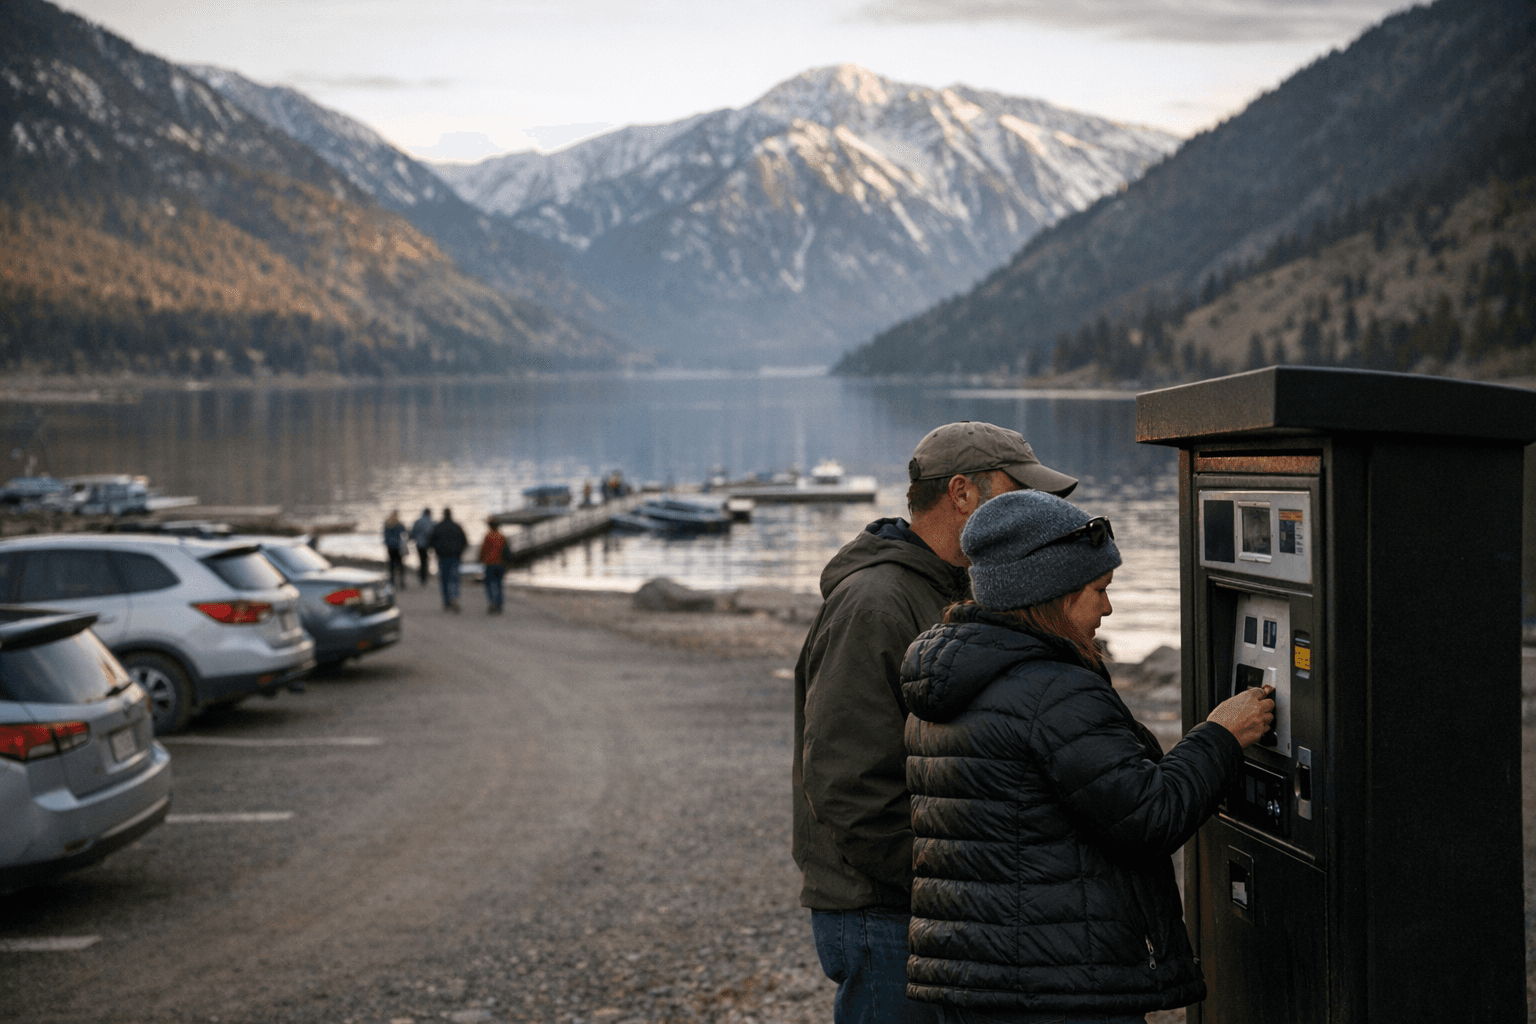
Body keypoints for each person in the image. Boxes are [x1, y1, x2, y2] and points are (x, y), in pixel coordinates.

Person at [902, 489, 1275, 1022]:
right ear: (1051, 593)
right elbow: (1147, 815)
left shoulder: (948, 683)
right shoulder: (1053, 692)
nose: (1108, 605)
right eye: (1098, 589)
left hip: (979, 979)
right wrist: (1221, 736)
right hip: (1064, 985)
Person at [792, 422, 1080, 1024]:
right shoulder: (875, 602)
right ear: (961, 493)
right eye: (1015, 491)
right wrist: (948, 881)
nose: (1031, 509)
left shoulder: (957, 588)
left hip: (927, 904)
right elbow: (849, 784)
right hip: (885, 912)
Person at [428, 507, 468, 612]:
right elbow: (465, 541)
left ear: (443, 514)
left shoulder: (438, 527)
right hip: (455, 557)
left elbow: (431, 542)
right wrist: (460, 552)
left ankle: (446, 602)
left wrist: (437, 550)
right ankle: (454, 597)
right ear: (451, 514)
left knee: (444, 580)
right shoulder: (457, 526)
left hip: (442, 557)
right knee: (454, 579)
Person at [479, 518, 508, 614]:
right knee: (499, 584)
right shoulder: (502, 537)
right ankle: (499, 604)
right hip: (500, 564)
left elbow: (483, 550)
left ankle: (492, 602)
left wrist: (480, 559)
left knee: (489, 585)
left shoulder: (488, 536)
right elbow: (507, 551)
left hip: (490, 564)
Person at [383, 510, 408, 590]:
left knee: (391, 565)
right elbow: (405, 532)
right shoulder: (399, 524)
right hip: (397, 547)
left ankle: (392, 582)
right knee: (400, 564)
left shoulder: (387, 524)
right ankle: (401, 582)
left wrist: (387, 543)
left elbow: (384, 535)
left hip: (390, 547)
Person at [411, 507, 435, 586]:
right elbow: (432, 533)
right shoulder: (431, 522)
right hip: (427, 544)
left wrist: (413, 539)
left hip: (419, 544)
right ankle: (424, 577)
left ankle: (422, 576)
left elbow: (413, 532)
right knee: (426, 560)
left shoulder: (418, 521)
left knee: (421, 560)